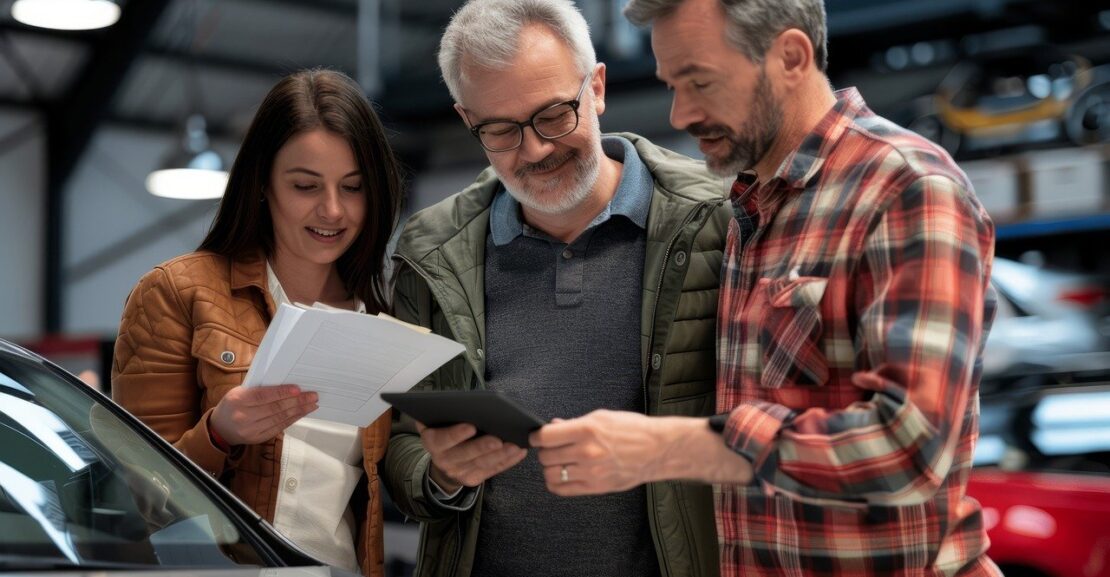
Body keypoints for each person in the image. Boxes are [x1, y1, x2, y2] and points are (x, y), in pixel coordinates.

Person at [529, 0, 1002, 575]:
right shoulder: (752, 205)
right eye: (672, 85)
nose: (680, 114)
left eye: (700, 81)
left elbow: (909, 449)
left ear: (792, 56)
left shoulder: (906, 188)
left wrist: (665, 447)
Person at [380, 0, 731, 575]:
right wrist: (439, 473)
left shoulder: (714, 221)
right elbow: (400, 442)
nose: (535, 149)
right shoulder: (429, 252)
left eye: (552, 115)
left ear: (595, 88)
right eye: (500, 130)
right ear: (468, 120)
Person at [112, 69, 403, 576]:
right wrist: (219, 434)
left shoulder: (381, 317)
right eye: (305, 185)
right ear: (263, 184)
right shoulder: (180, 293)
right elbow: (131, 493)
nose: (332, 210)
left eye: (353, 187)